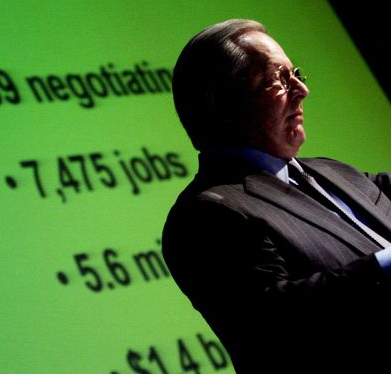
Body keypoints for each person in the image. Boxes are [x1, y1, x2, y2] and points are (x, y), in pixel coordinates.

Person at [161, 19, 391, 374]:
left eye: (296, 73)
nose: (302, 90)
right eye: (278, 80)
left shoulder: (333, 172)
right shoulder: (206, 215)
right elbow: (277, 322)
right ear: (223, 103)